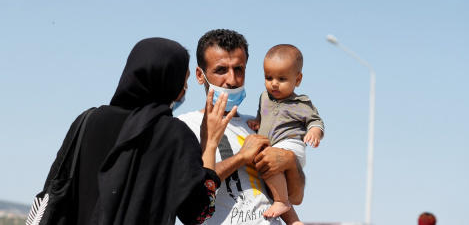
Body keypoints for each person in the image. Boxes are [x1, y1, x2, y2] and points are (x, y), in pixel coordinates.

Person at [41, 38, 235, 225]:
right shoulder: (174, 134)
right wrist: (209, 144)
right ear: (168, 82)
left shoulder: (86, 121)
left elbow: (51, 190)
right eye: (183, 81)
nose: (184, 89)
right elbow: (198, 213)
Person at [178, 29, 305, 225]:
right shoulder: (184, 127)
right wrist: (241, 157)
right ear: (200, 75)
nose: (231, 80)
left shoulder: (257, 125)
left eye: (238, 69)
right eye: (221, 70)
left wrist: (290, 162)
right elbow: (190, 194)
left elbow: (295, 197)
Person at [246, 44, 324, 223]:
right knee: (269, 175)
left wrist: (314, 132)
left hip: (291, 145)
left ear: (298, 79)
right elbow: (262, 113)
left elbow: (316, 121)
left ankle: (282, 201)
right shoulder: (264, 96)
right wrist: (257, 120)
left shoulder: (301, 104)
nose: (274, 83)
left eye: (281, 78)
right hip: (274, 146)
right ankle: (293, 220)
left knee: (268, 163)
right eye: (268, 77)